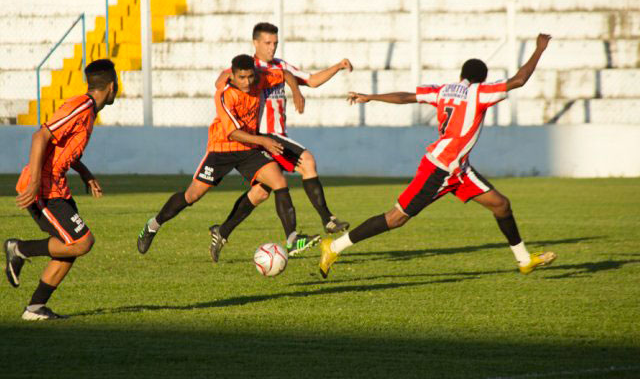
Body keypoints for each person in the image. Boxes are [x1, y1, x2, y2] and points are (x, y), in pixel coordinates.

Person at [319, 34, 558, 278]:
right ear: (482, 79)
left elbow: (406, 97)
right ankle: (334, 247)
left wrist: (372, 96)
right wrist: (539, 49)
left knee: (501, 204)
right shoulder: (480, 93)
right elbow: (519, 80)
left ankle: (524, 259)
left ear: (461, 77)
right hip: (438, 170)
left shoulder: (444, 90)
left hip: (460, 170)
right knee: (396, 219)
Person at [137, 55, 319, 261]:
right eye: (242, 77)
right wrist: (264, 141)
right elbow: (232, 132)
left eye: (250, 77)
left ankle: (292, 238)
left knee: (277, 182)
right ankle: (153, 225)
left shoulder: (260, 78)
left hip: (248, 148)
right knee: (192, 196)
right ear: (232, 75)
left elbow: (285, 74)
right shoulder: (224, 94)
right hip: (222, 148)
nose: (247, 82)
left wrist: (296, 92)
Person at [213, 22, 353, 256]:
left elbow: (311, 80)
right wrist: (223, 80)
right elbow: (222, 79)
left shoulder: (279, 66)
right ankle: (326, 220)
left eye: (275, 43)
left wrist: (337, 66)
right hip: (266, 136)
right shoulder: (248, 69)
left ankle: (222, 231)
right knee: (307, 161)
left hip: (275, 138)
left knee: (260, 193)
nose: (272, 48)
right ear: (255, 43)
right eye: (267, 43)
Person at [4, 59, 118, 320]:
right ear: (111, 86)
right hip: (43, 188)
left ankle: (35, 309)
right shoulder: (80, 106)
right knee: (82, 242)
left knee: (70, 246)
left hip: (57, 187)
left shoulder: (89, 112)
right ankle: (19, 249)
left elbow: (64, 148)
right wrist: (34, 183)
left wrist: (86, 174)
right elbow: (40, 136)